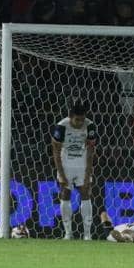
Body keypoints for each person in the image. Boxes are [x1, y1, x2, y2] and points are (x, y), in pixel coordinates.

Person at [51, 100, 98, 241]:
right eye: (77, 120)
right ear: (70, 117)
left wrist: (88, 172)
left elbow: (91, 151)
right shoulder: (61, 126)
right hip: (66, 164)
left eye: (82, 119)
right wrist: (61, 173)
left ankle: (87, 234)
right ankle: (68, 233)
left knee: (86, 193)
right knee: (65, 193)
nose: (80, 123)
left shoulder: (90, 126)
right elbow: (55, 151)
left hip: (82, 164)